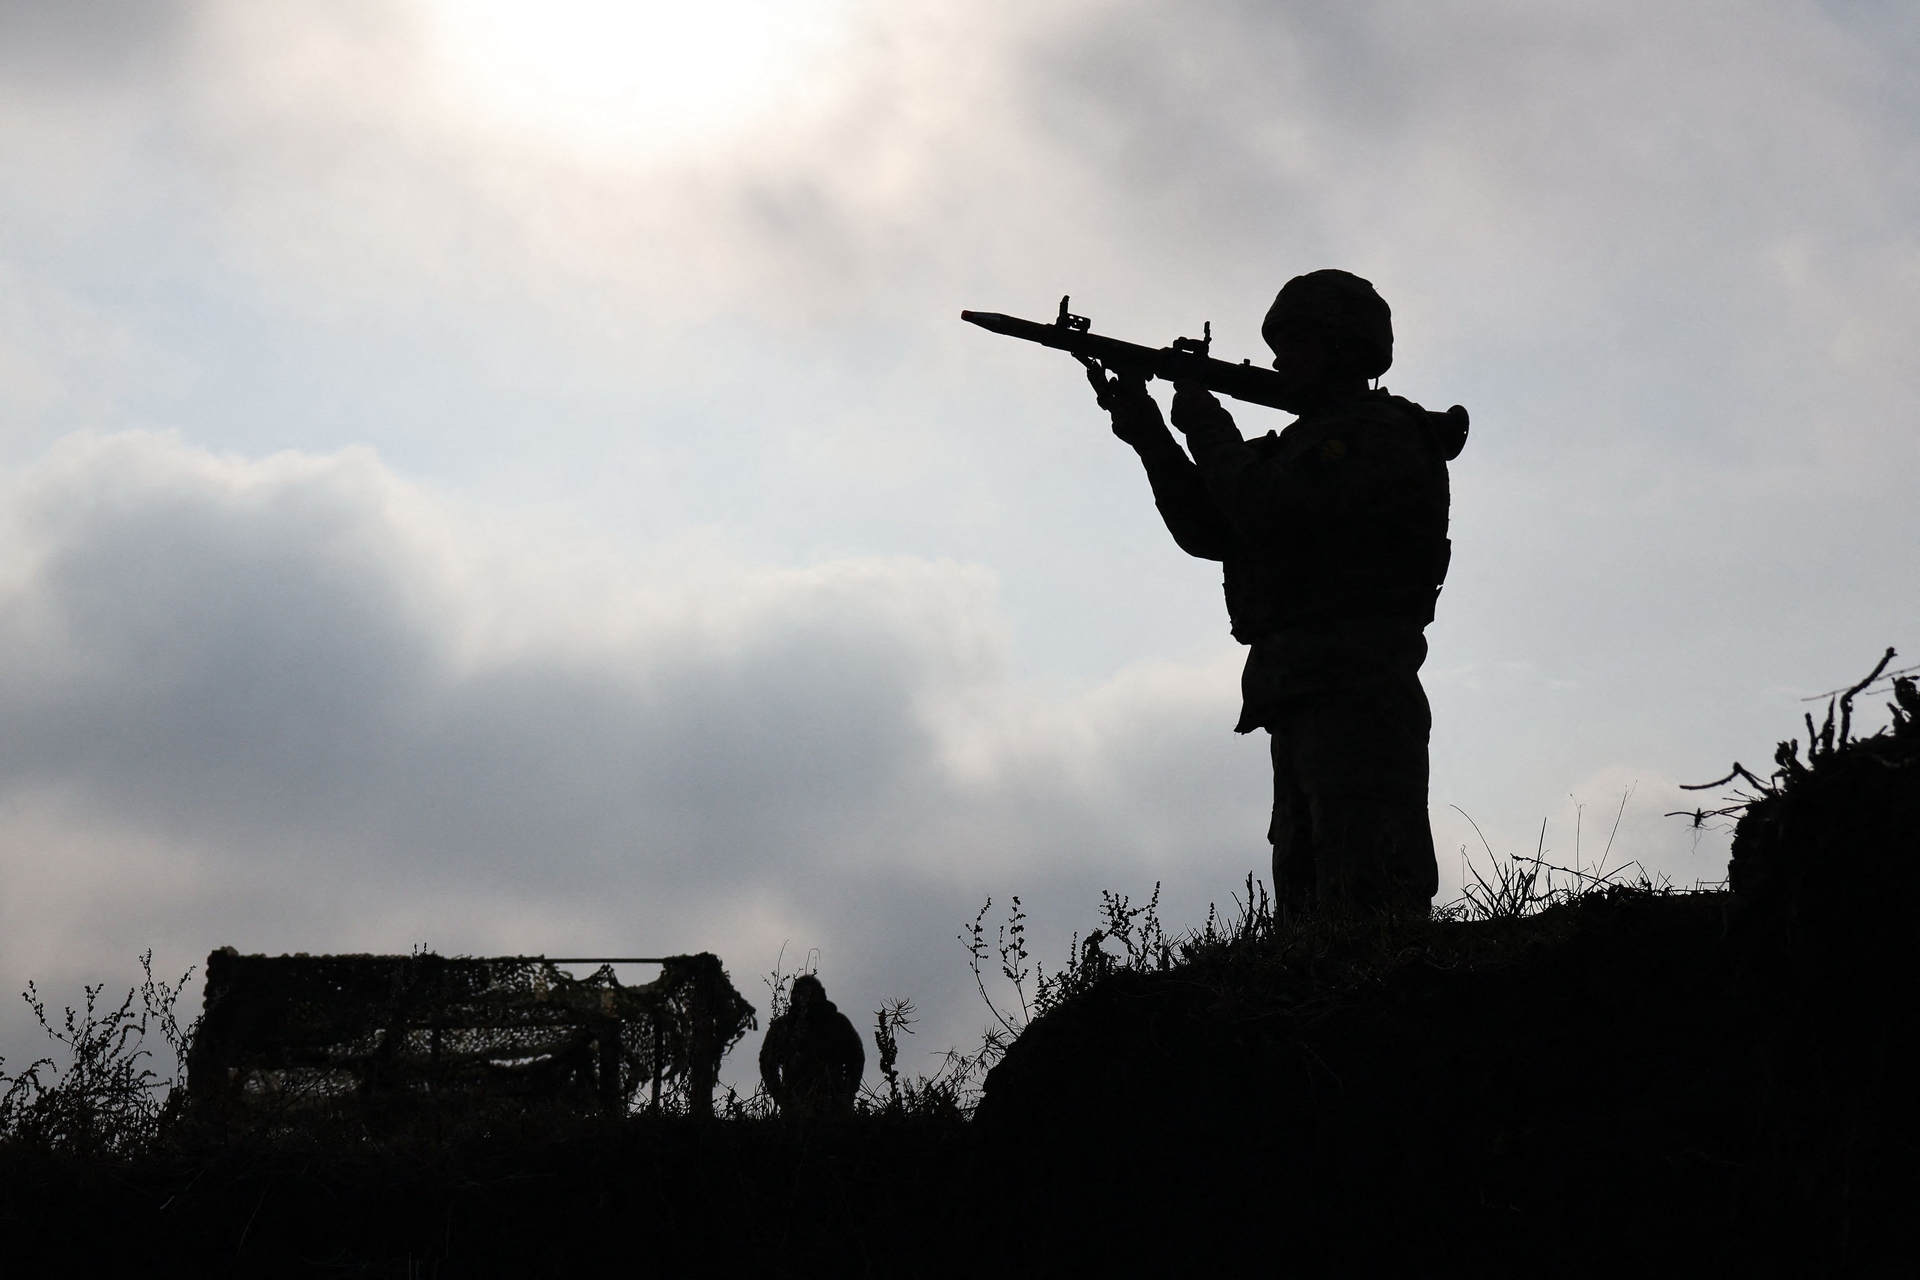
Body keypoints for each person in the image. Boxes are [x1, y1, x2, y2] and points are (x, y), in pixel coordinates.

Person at [1091, 269, 1463, 915]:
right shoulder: (1305, 444)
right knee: (1306, 900)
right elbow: (1209, 529)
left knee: (1369, 893)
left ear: (1345, 348)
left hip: (1359, 689)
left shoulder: (1378, 435)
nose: (1279, 362)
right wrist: (1149, 431)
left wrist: (1206, 422)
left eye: (1297, 345)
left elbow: (1264, 507)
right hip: (1299, 691)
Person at [758, 974, 864, 1116]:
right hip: (796, 1107)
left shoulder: (838, 1023)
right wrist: (782, 1097)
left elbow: (856, 1056)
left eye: (812, 994)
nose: (808, 999)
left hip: (833, 1105)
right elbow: (767, 1062)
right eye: (804, 994)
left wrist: (848, 1092)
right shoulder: (785, 1026)